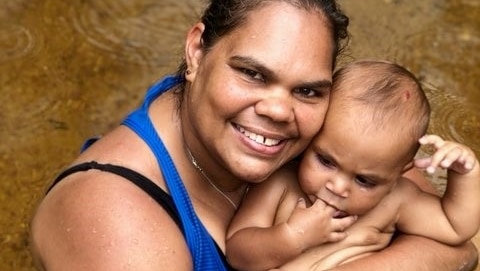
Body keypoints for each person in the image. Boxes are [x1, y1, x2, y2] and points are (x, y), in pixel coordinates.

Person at [29, 1, 477, 270]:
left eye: (307, 89)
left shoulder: (317, 141)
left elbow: (458, 244)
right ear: (196, 50)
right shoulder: (114, 220)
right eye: (251, 73)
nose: (279, 111)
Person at [226, 60, 480, 271]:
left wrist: (465, 173)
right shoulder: (281, 185)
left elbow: (454, 226)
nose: (337, 186)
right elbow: (237, 252)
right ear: (311, 139)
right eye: (326, 161)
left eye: (364, 180)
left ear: (398, 174)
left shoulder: (395, 200)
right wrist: (292, 237)